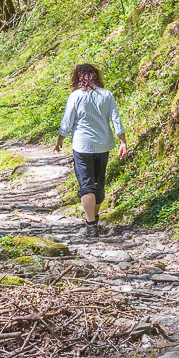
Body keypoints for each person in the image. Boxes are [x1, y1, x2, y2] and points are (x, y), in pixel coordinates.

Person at [54, 63, 127, 237]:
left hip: (82, 146)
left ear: (78, 78)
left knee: (86, 185)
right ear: (95, 76)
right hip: (103, 145)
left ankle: (90, 226)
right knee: (98, 182)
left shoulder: (75, 96)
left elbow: (67, 121)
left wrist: (60, 139)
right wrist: (123, 141)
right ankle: (94, 219)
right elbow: (116, 119)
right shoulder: (107, 95)